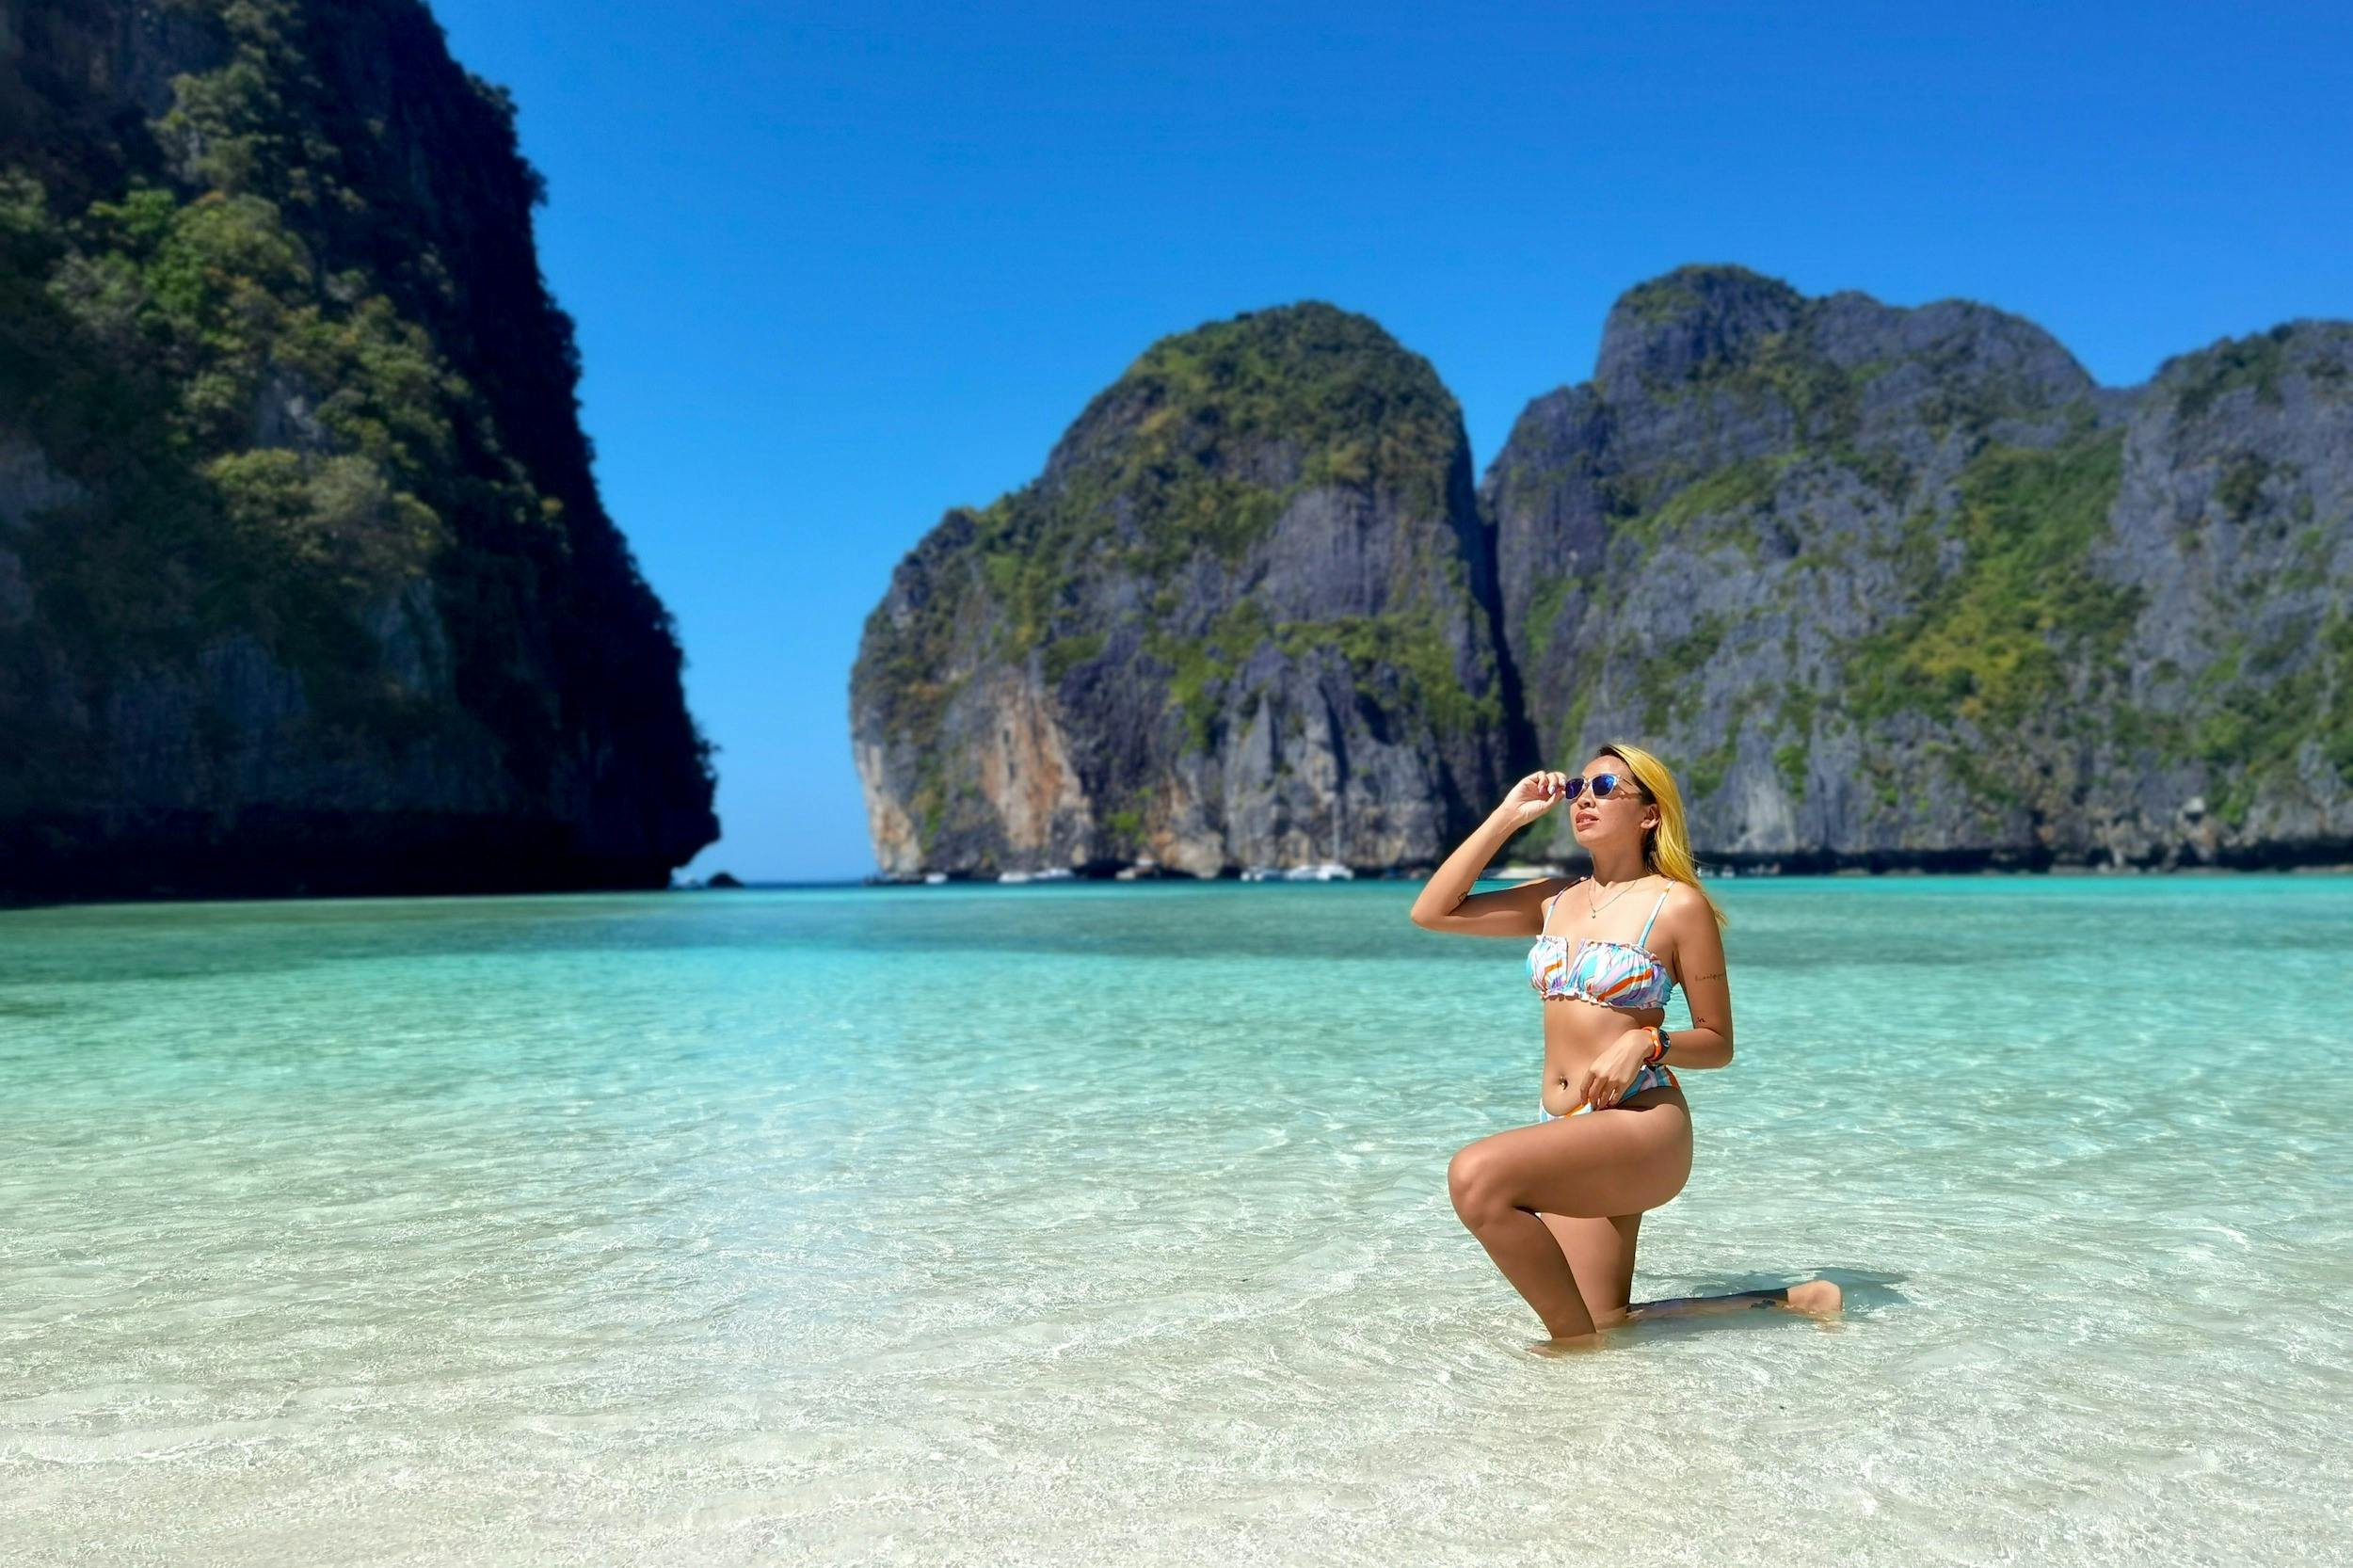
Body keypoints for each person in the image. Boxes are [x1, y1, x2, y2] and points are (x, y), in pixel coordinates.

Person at [1408, 740, 1841, 1349]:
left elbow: (1718, 1043)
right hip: (1567, 1126)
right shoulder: (1554, 899)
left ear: (1649, 814)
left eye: (1605, 788)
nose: (1584, 798)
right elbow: (1432, 911)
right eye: (1577, 788)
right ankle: (1793, 1301)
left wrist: (1648, 1041)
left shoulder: (1678, 906)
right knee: (1606, 1316)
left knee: (1476, 1178)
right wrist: (1508, 815)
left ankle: (1571, 1359)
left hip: (1639, 1120)